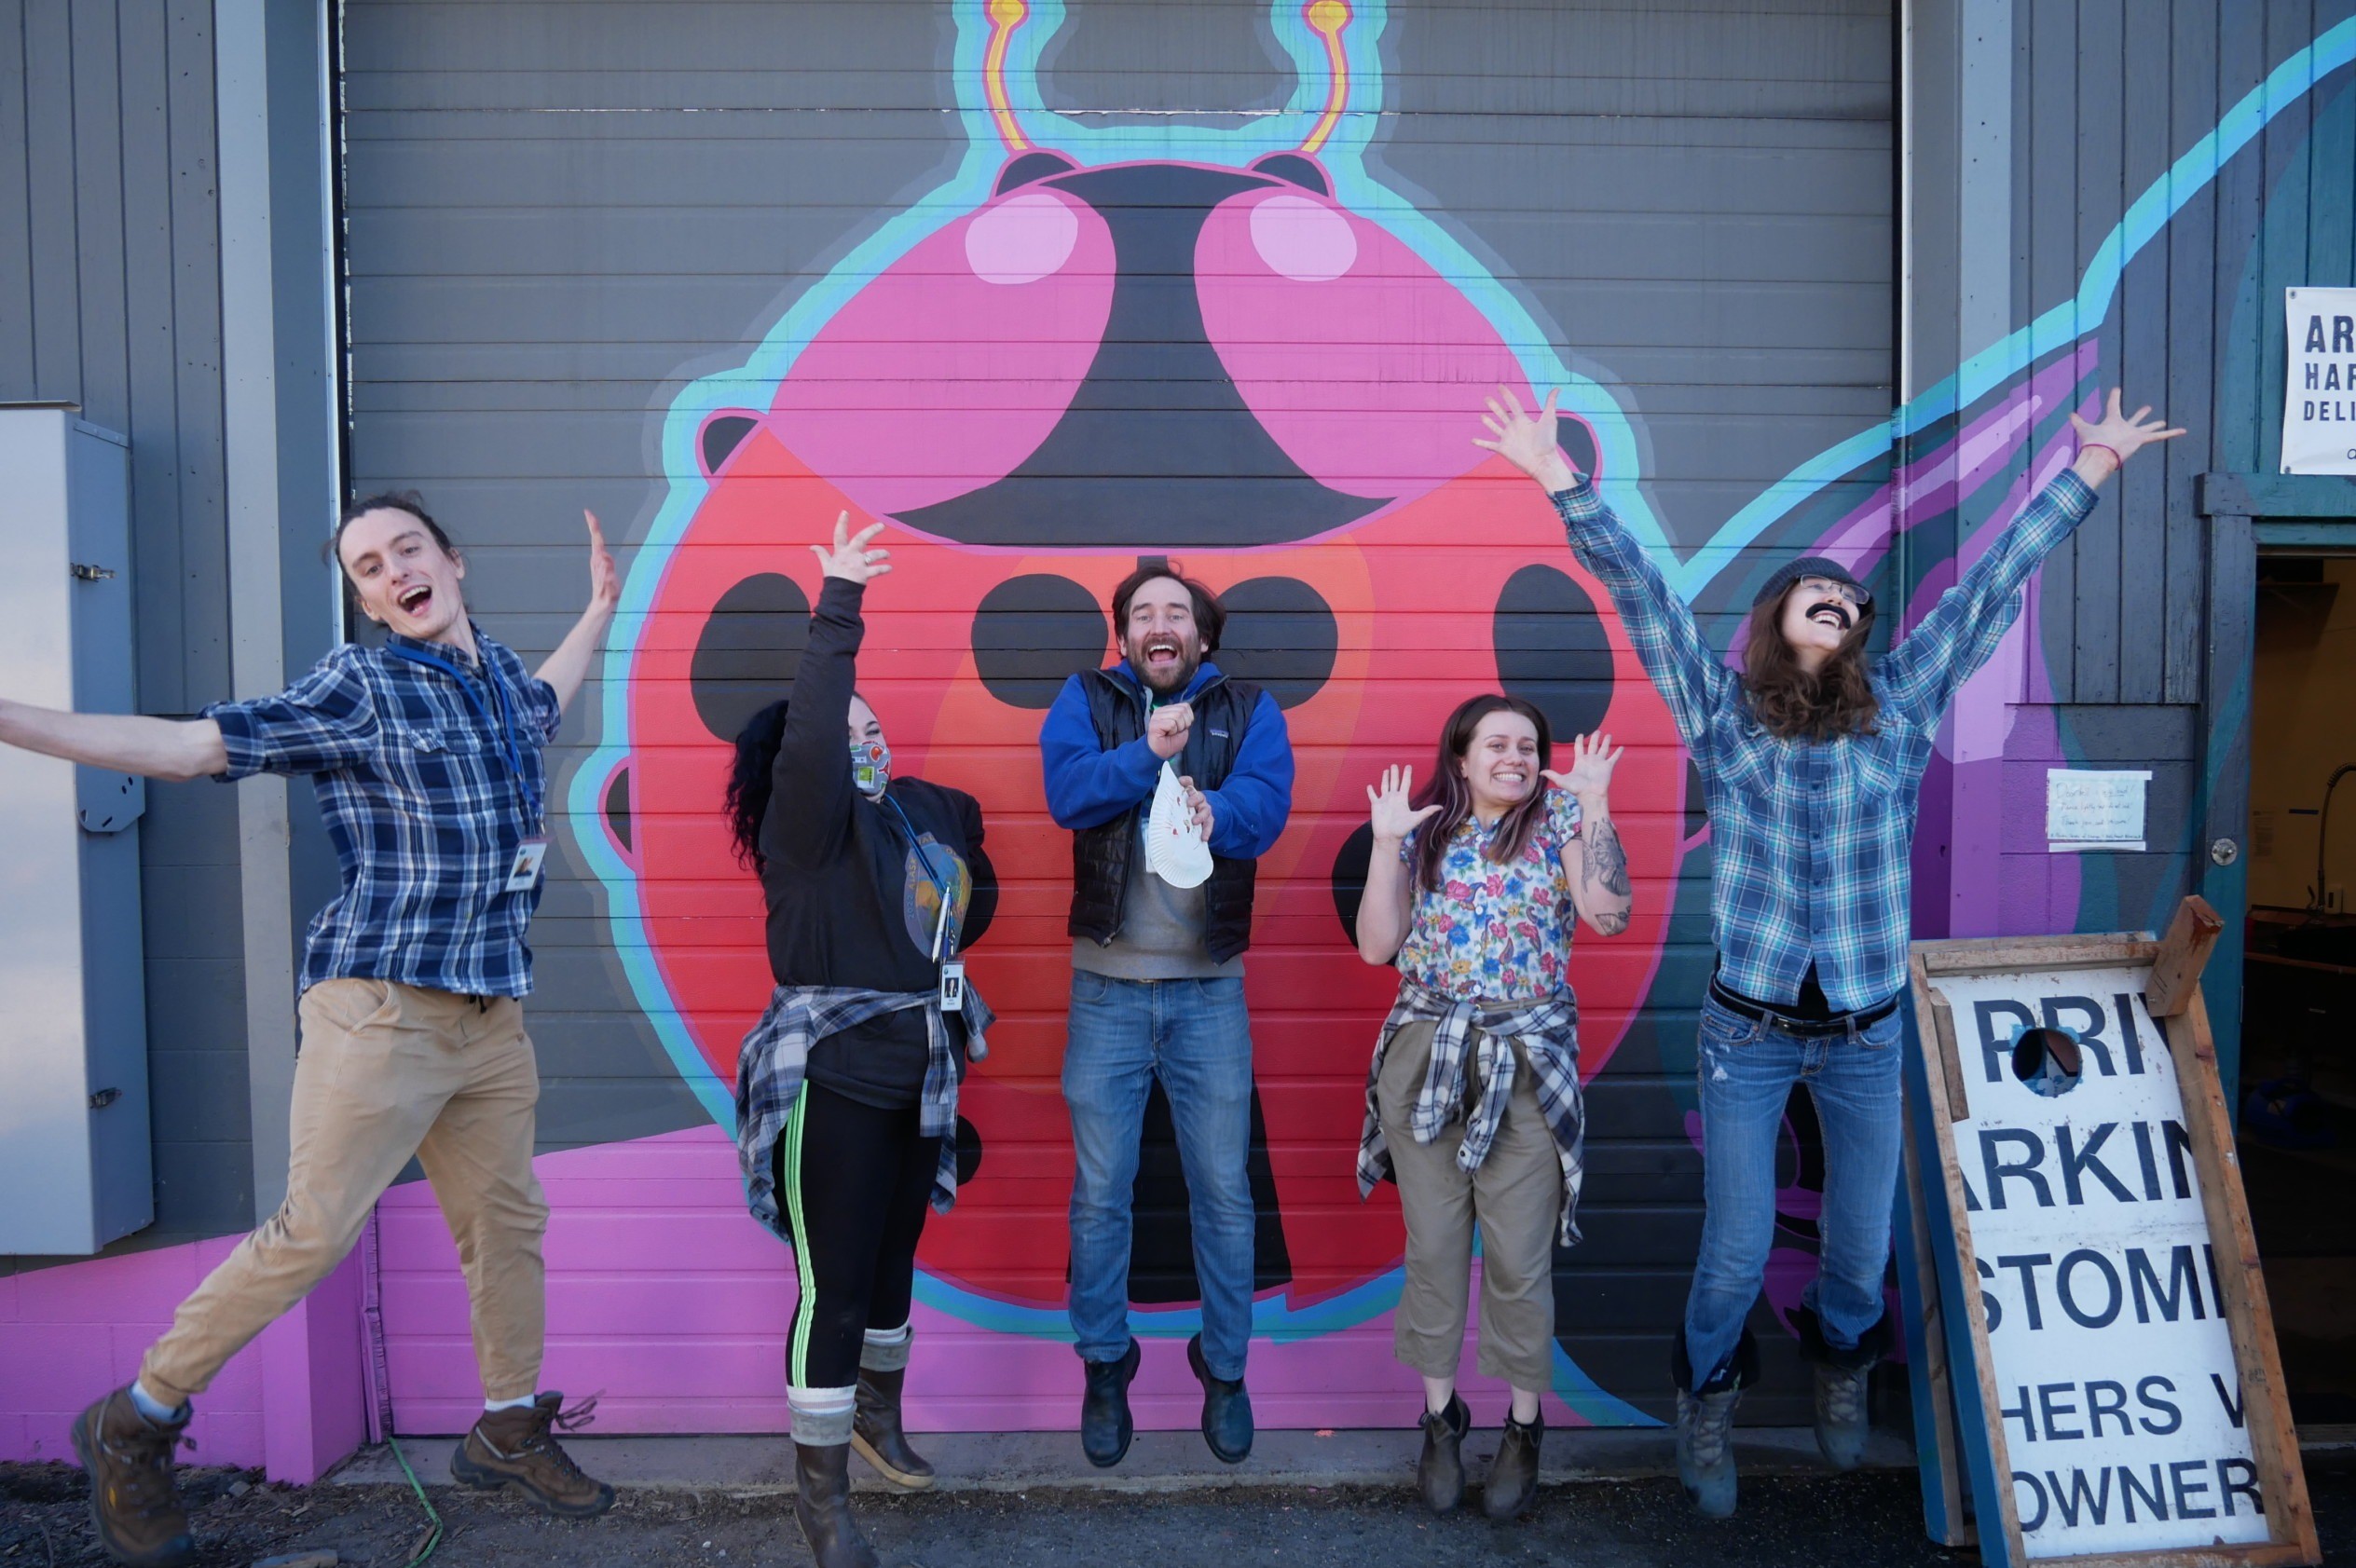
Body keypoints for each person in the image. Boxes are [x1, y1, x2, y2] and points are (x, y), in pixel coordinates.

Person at [1475, 385, 2182, 1518]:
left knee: (1858, 1254)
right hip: (1744, 1032)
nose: (1840, 603)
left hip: (1861, 1030)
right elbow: (1638, 594)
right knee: (1736, 1251)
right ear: (1774, 621)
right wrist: (1558, 477)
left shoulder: (1897, 708)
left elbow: (1991, 589)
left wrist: (2087, 466)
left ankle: (1842, 1366)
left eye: (1850, 601)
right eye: (1817, 595)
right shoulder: (1721, 714)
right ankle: (1705, 1401)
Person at [0, 494, 622, 1566]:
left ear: (453, 562)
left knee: (508, 1225)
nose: (391, 573)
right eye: (369, 567)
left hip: (488, 1018)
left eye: (407, 550)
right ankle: (136, 1417)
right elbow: (193, 747)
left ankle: (506, 1425)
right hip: (379, 1013)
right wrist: (11, 719)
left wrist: (600, 610)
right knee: (312, 1234)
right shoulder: (362, 688)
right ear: (368, 598)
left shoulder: (500, 686)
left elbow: (546, 701)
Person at [727, 513, 996, 1568]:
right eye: (846, 730)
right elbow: (816, 736)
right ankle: (820, 1496)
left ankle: (877, 1422)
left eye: (871, 726)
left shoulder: (904, 825)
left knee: (893, 1263)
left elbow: (959, 895)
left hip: (919, 1066)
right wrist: (837, 601)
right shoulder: (807, 829)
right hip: (830, 1076)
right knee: (833, 1285)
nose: (863, 738)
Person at [1037, 564, 1294, 1467]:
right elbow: (1068, 794)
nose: (1158, 623)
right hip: (1104, 989)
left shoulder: (1248, 708)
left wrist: (1213, 808)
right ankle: (1104, 1365)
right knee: (1100, 1195)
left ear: (1200, 637)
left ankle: (1223, 1368)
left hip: (1206, 992)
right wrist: (1145, 751)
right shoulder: (1085, 699)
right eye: (1140, 612)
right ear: (1122, 637)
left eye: (1173, 612)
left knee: (1223, 1193)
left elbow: (1266, 808)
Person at [1353, 697, 1632, 1519]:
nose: (1514, 754)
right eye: (1497, 743)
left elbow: (1610, 916)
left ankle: (1522, 1426)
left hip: (1528, 1061)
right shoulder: (1426, 835)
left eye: (1527, 744)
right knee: (1434, 1245)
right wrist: (1384, 842)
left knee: (1517, 1255)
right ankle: (1440, 1419)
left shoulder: (1559, 833)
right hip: (1427, 1054)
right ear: (1463, 757)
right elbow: (1376, 946)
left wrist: (1596, 803)